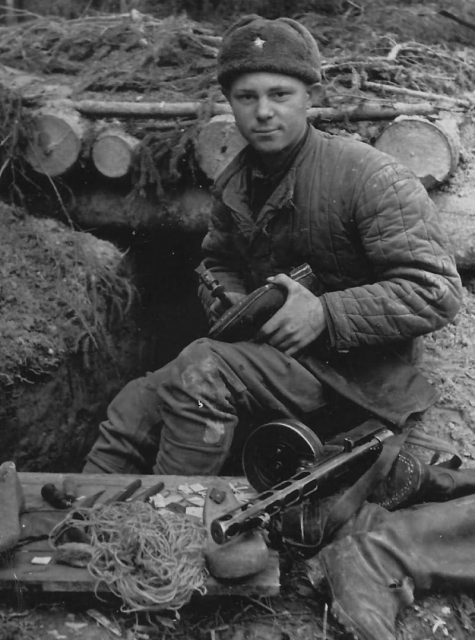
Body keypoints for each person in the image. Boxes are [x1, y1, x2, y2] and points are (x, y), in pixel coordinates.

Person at [83, 15, 462, 478]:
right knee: (134, 401)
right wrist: (237, 305)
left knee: (199, 372)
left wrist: (325, 314)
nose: (263, 112)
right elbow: (217, 260)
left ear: (310, 97)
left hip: (361, 379)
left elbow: (435, 290)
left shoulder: (369, 176)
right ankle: (80, 511)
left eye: (279, 95)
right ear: (230, 103)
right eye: (247, 97)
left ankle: (171, 521)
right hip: (276, 359)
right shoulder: (234, 184)